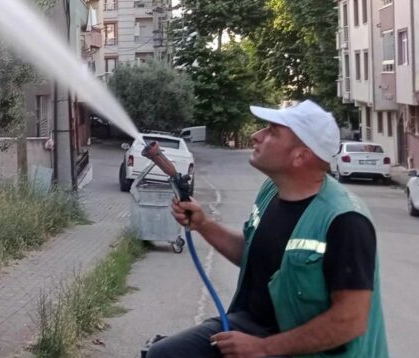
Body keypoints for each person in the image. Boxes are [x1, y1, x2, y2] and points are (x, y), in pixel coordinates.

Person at [145, 100, 387, 358]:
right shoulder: (272, 191)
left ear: (300, 156)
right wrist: (204, 225)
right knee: (163, 354)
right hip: (255, 326)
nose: (256, 136)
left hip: (310, 349)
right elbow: (254, 254)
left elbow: (349, 321)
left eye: (272, 131)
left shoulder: (346, 220)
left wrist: (263, 349)